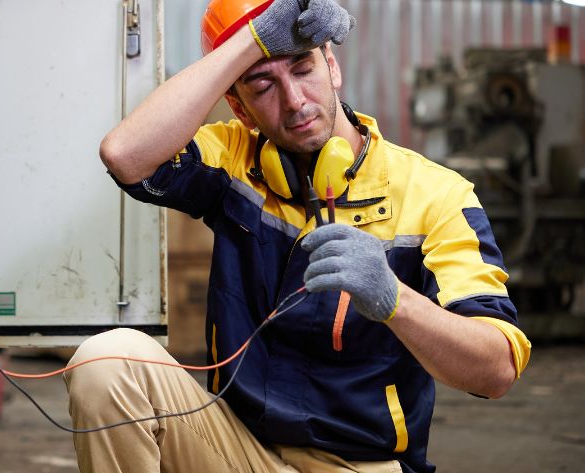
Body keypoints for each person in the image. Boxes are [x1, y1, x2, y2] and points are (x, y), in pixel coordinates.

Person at [64, 0, 532, 471]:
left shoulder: (436, 195)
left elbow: (495, 370)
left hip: (360, 464)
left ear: (332, 65)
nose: (295, 101)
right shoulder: (233, 160)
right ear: (239, 107)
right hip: (235, 450)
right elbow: (125, 155)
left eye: (303, 68)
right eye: (262, 85)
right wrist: (254, 40)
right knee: (105, 361)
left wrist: (395, 299)